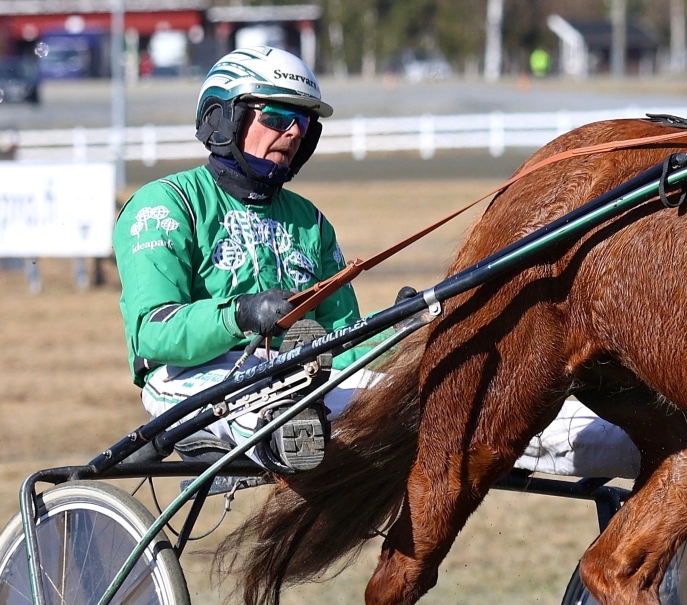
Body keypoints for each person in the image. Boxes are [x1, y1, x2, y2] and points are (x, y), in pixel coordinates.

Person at [114, 43, 638, 480]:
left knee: (460, 401)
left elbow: (343, 347)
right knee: (286, 403)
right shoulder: (166, 205)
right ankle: (283, 426)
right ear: (222, 119)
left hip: (305, 382)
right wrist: (241, 315)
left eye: (302, 123)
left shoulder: (309, 222)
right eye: (277, 116)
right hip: (194, 386)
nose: (294, 132)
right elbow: (151, 333)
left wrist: (400, 331)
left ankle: (628, 442)